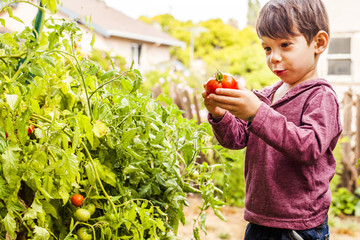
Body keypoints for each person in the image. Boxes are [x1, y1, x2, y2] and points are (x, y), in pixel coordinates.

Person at [202, 0, 342, 239]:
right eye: (267, 48)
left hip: (298, 226)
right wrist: (220, 114)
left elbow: (308, 147)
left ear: (318, 43)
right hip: (259, 218)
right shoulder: (266, 95)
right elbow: (236, 139)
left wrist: (258, 113)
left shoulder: (321, 97)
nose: (273, 57)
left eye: (285, 45)